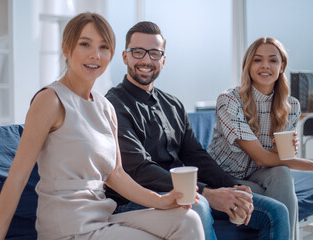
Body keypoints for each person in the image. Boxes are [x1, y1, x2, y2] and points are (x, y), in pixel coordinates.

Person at [0, 13, 205, 240]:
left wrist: (161, 200)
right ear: (66, 48)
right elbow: (17, 178)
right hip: (67, 228)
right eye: (85, 44)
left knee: (188, 220)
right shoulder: (51, 100)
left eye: (104, 47)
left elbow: (116, 175)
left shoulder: (105, 107)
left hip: (103, 218)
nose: (95, 55)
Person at [105, 21, 290, 240]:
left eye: (154, 54)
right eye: (138, 52)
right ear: (125, 57)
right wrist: (207, 192)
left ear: (163, 61)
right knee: (200, 205)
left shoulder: (173, 105)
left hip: (185, 193)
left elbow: (196, 157)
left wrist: (233, 187)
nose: (146, 60)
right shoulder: (113, 105)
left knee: (276, 212)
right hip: (138, 201)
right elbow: (140, 170)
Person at [208, 37, 313, 240]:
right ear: (248, 65)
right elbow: (261, 158)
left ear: (282, 66)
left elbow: (279, 159)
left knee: (282, 173)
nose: (265, 65)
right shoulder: (229, 100)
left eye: (273, 60)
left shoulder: (291, 107)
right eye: (257, 60)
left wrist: (282, 151)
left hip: (262, 176)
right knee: (277, 194)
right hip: (225, 177)